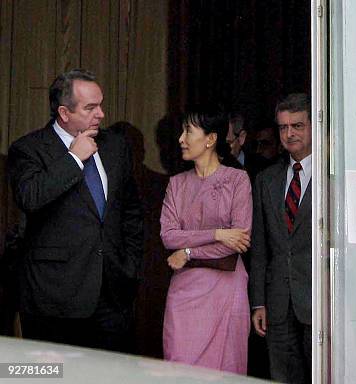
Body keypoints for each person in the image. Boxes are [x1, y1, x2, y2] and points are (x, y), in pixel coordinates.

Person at [7, 69, 143, 352]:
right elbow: (30, 196)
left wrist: (129, 265)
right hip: (55, 297)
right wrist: (73, 159)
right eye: (91, 107)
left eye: (101, 104)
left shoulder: (116, 146)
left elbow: (130, 212)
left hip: (112, 295)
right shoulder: (28, 149)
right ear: (64, 113)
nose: (102, 114)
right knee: (55, 377)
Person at [160, 110, 252, 373]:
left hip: (226, 287)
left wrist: (188, 251)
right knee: (179, 365)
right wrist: (217, 233)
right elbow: (168, 236)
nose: (181, 139)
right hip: (185, 291)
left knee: (224, 369)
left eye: (188, 132)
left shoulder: (237, 180)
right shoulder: (176, 184)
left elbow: (239, 240)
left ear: (210, 139)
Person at [249, 93, 313, 383]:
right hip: (277, 303)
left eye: (298, 125)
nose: (290, 133)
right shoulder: (267, 179)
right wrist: (258, 301)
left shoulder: (332, 176)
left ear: (314, 126)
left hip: (319, 300)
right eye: (284, 127)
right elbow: (260, 247)